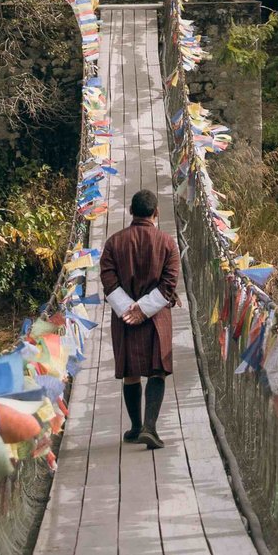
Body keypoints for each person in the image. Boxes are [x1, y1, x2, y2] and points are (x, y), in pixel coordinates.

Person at [101, 189, 179, 449]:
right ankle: (150, 428)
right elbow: (169, 284)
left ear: (131, 212)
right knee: (157, 371)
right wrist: (144, 309)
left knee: (130, 372)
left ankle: (135, 428)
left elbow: (108, 280)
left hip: (125, 320)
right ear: (156, 213)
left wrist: (128, 309)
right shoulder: (168, 243)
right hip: (157, 318)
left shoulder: (113, 243)